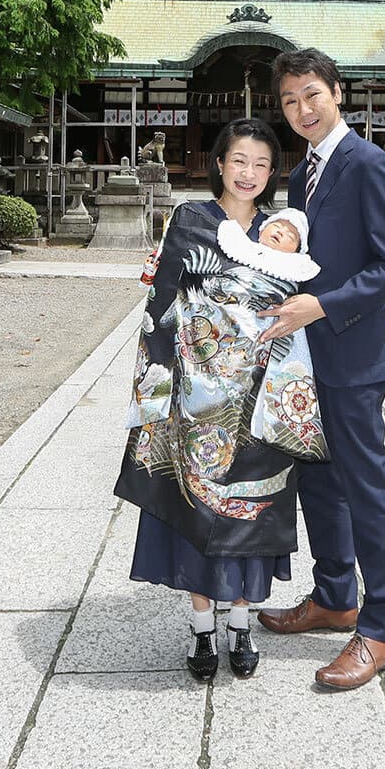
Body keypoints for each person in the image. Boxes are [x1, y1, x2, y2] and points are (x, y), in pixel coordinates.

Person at [115, 118, 319, 681]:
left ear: (272, 171)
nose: (248, 173)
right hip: (194, 393)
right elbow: (162, 303)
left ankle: (241, 624)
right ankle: (204, 630)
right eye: (238, 161)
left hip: (258, 396)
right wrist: (153, 396)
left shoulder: (284, 236)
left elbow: (292, 305)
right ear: (219, 164)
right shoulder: (191, 219)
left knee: (252, 512)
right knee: (194, 509)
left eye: (260, 164)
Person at [256, 48, 385, 690]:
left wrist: (320, 306)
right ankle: (333, 596)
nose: (302, 109)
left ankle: (381, 629)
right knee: (318, 481)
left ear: (338, 92)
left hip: (352, 351)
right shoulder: (302, 177)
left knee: (365, 484)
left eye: (312, 94)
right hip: (307, 356)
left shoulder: (370, 164)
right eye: (290, 101)